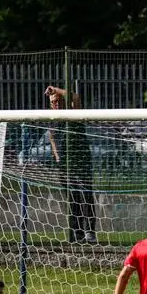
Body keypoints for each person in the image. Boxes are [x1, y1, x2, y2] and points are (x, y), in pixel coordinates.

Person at [45, 85, 97, 244]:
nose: (56, 104)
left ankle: (90, 231)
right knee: (72, 197)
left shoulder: (73, 114)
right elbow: (52, 138)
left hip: (81, 161)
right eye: (53, 102)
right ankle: (77, 232)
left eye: (58, 100)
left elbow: (75, 97)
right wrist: (57, 157)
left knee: (86, 194)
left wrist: (57, 90)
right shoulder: (53, 122)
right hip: (65, 165)